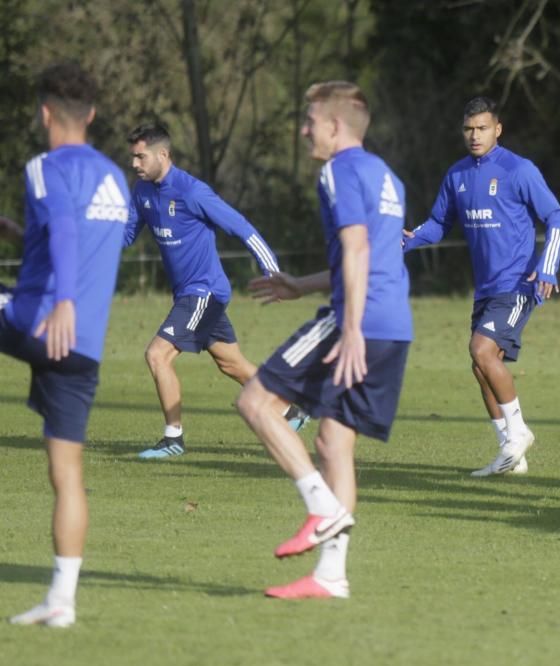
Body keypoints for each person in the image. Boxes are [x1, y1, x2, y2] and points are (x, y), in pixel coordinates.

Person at [236, 80, 411, 599]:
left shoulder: (336, 170)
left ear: (335, 126)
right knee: (335, 442)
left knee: (256, 401)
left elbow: (356, 249)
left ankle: (321, 508)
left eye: (310, 120)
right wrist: (300, 284)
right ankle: (331, 576)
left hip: (356, 321)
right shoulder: (386, 176)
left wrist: (350, 326)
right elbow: (375, 256)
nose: (304, 129)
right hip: (394, 324)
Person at [6, 62, 128, 628]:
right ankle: (62, 601)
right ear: (94, 115)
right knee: (67, 474)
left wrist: (64, 301)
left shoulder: (44, 165)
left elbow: (66, 229)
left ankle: (60, 602)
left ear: (46, 113)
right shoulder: (113, 177)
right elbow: (65, 230)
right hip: (84, 349)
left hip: (41, 321)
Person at [403, 96, 560, 477]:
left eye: (482, 128)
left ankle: (520, 432)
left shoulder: (518, 170)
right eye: (468, 129)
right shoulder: (457, 175)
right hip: (486, 288)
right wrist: (406, 241)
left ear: (498, 129)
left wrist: (548, 265)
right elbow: (438, 223)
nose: (474, 136)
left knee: (481, 349)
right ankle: (510, 456)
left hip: (518, 283)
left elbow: (556, 218)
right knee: (481, 367)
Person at [123, 123, 307, 459]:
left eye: (140, 156)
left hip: (204, 292)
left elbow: (243, 228)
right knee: (231, 364)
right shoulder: (142, 192)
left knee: (157, 355)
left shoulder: (192, 192)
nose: (134, 164)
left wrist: (273, 271)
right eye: (132, 157)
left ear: (162, 154)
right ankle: (290, 411)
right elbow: (124, 236)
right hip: (188, 295)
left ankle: (173, 438)